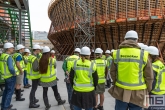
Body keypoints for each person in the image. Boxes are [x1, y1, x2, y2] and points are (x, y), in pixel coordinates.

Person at [109, 30, 154, 110]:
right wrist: (148, 89)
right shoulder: (143, 54)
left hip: (121, 91)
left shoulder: (117, 53)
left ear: (125, 39)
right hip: (138, 92)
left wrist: (116, 83)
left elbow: (112, 72)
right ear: (137, 40)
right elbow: (149, 76)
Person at [0, 42, 18, 110]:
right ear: (8, 49)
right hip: (10, 76)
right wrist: (14, 73)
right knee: (9, 92)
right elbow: (11, 68)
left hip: (5, 76)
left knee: (6, 91)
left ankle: (3, 106)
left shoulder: (2, 56)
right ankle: (6, 107)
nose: (13, 49)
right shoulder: (8, 57)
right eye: (12, 48)